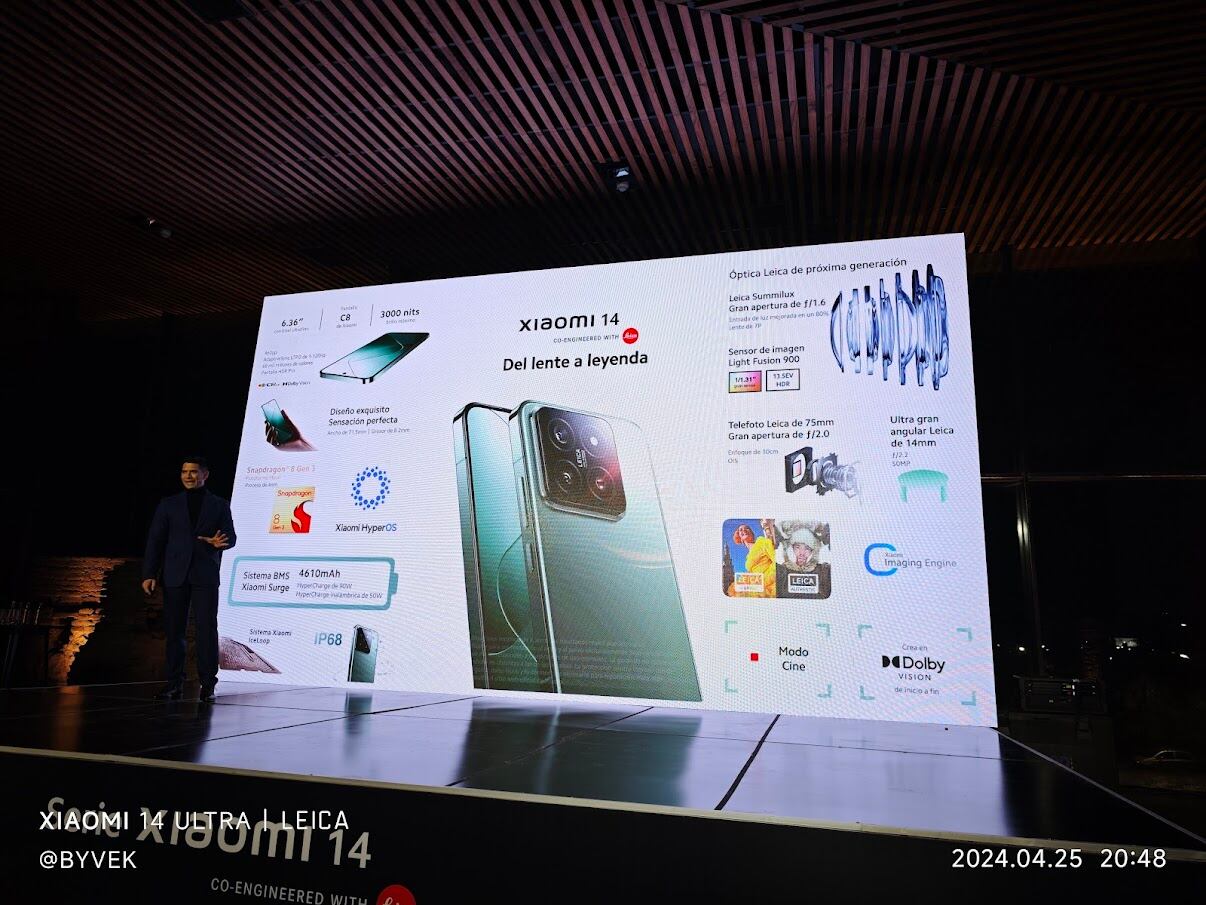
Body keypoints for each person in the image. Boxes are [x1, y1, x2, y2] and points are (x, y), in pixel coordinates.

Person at [141, 456, 237, 702]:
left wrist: (219, 542)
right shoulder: (168, 504)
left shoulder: (219, 505)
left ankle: (208, 684)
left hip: (205, 574)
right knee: (175, 632)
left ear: (205, 475)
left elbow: (231, 537)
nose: (188, 476)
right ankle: (174, 683)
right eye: (184, 472)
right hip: (174, 575)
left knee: (207, 629)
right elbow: (156, 540)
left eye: (193, 472)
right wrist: (149, 573)